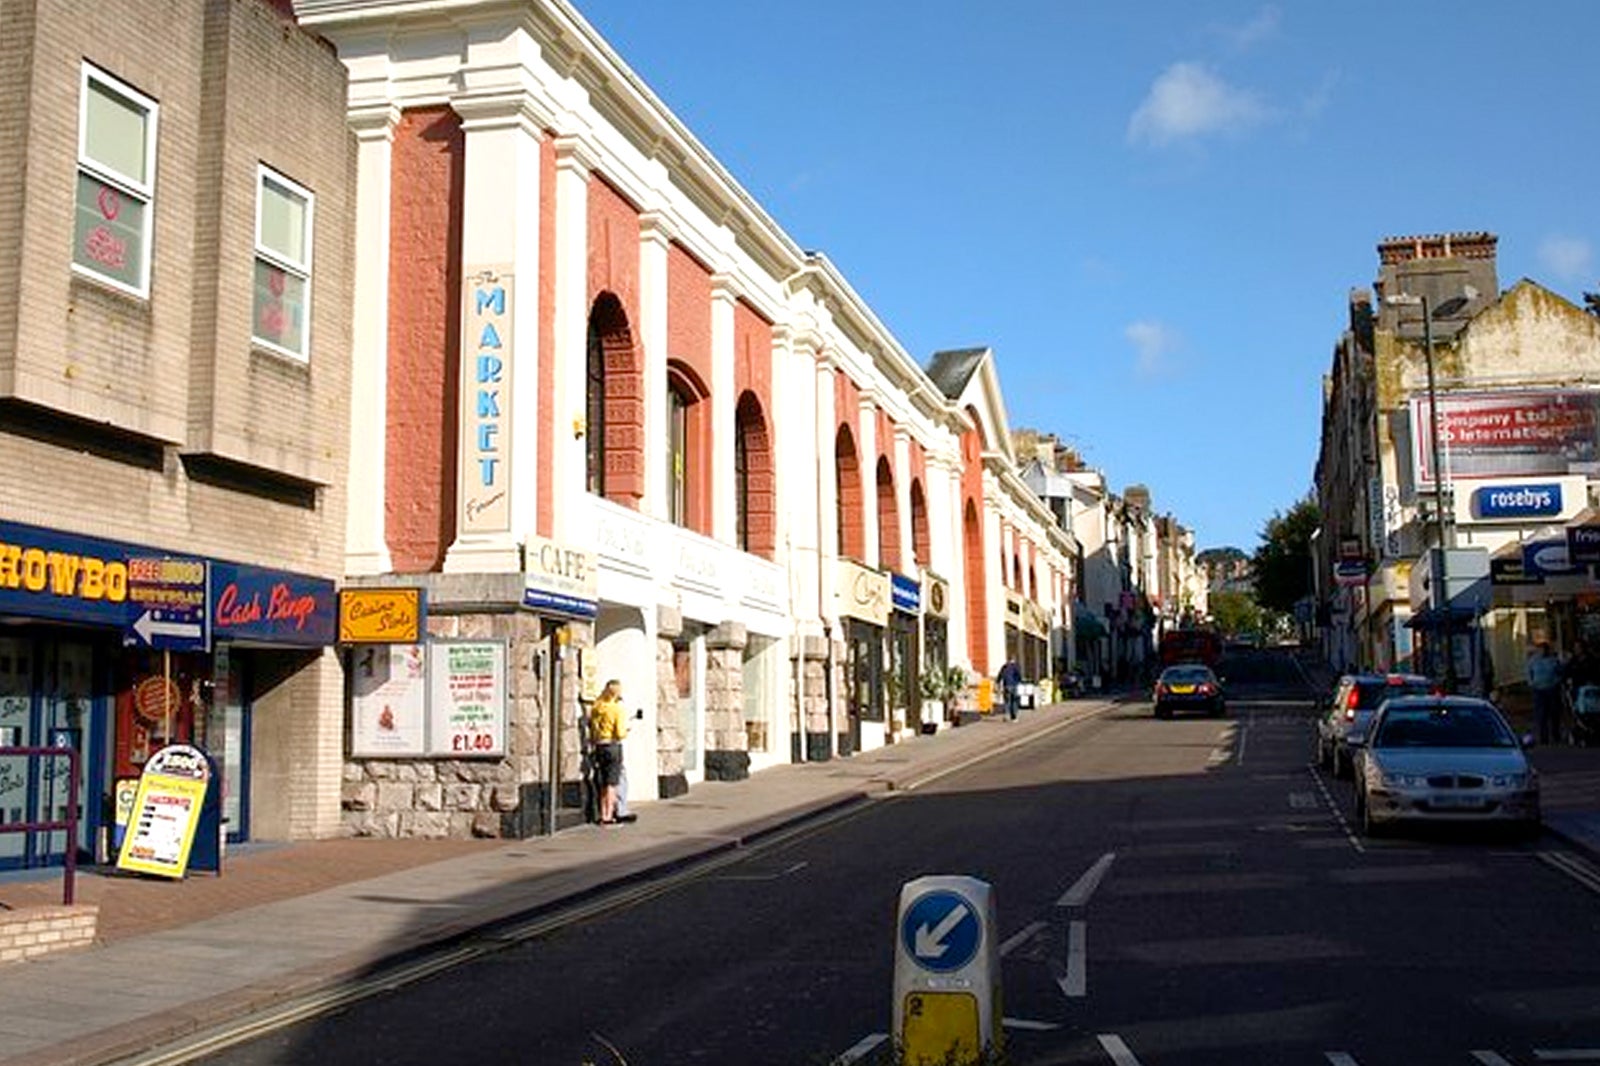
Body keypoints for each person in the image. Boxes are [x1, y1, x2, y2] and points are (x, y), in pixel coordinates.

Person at [588, 679, 629, 825]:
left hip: (599, 746)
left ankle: (602, 812)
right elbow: (620, 732)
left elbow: (592, 728)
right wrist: (626, 731)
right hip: (612, 745)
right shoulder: (616, 708)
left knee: (603, 781)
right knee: (612, 783)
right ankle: (608, 814)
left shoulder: (597, 706)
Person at [1527, 641, 1565, 745]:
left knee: (1554, 713)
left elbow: (1560, 672)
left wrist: (1557, 681)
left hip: (1552, 689)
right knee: (1541, 714)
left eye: (1544, 649)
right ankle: (1544, 738)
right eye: (1540, 649)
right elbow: (1529, 672)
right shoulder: (1533, 660)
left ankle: (1556, 735)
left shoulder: (1553, 660)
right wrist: (1531, 683)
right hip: (1538, 690)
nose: (1542, 651)